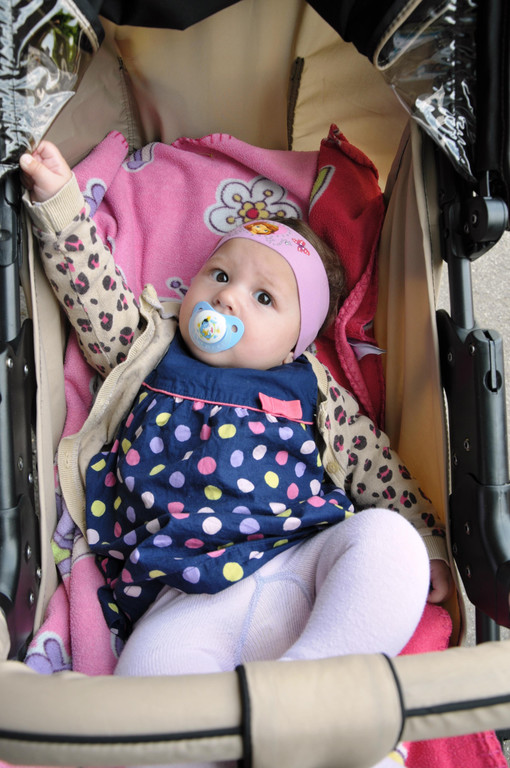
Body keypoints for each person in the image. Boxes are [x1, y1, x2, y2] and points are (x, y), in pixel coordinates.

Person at [21, 142, 452, 768]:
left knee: (390, 545)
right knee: (145, 678)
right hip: (184, 597)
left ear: (297, 343)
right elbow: (95, 295)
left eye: (264, 298)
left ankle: (309, 694)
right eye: (220, 276)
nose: (228, 299)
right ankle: (308, 738)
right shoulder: (147, 346)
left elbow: (373, 465)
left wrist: (425, 535)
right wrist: (60, 203)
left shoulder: (313, 387)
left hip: (302, 561)